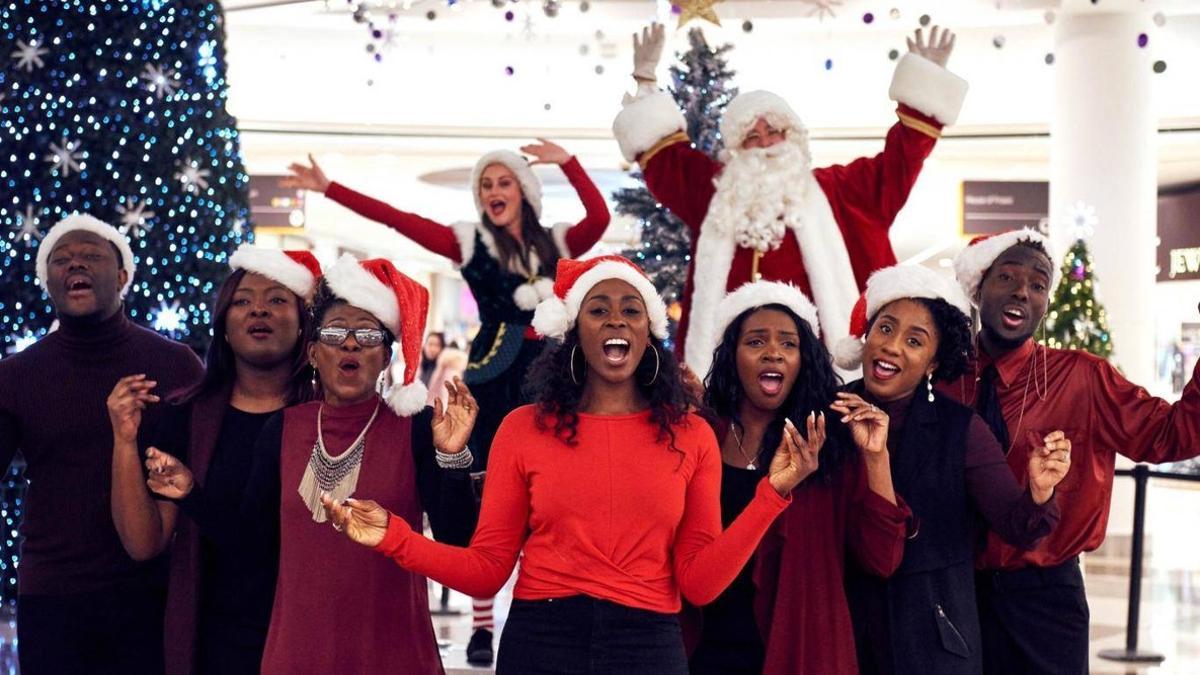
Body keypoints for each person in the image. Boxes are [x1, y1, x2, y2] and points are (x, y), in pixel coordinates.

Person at [322, 255, 820, 675]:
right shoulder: (523, 429)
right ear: (574, 330)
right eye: (598, 309)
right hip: (541, 641)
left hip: (648, 647)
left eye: (631, 310)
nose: (616, 320)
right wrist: (394, 536)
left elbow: (699, 583)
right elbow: (486, 570)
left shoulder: (691, 436)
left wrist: (771, 495)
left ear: (649, 332)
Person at [284, 142, 610, 662]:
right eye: (485, 185)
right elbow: (401, 220)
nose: (493, 192)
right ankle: (482, 626)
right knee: (485, 498)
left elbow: (600, 215)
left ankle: (555, 599)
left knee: (556, 490)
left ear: (524, 191)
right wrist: (330, 189)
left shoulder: (559, 241)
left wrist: (568, 162)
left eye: (504, 183)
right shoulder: (470, 244)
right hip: (493, 380)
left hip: (553, 381)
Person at [143, 255, 478, 674]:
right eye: (336, 333)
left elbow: (458, 540)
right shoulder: (283, 430)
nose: (351, 344)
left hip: (392, 650)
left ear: (385, 355)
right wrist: (192, 493)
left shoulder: (414, 429)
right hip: (298, 652)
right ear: (314, 352)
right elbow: (250, 543)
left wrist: (451, 457)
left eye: (367, 334)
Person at [612, 23, 968, 377]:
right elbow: (664, 159)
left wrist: (925, 88)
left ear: (792, 137)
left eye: (774, 132)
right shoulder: (717, 195)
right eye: (752, 136)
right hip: (731, 374)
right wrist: (645, 81)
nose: (766, 143)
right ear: (736, 150)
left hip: (823, 374)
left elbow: (899, 162)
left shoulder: (840, 191)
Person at [942, 229, 1200, 675]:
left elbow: (1173, 434)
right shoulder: (943, 378)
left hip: (1045, 599)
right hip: (954, 593)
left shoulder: (1084, 378)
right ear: (979, 286)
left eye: (1039, 284)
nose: (1023, 290)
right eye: (1007, 277)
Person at [830, 263, 1069, 675]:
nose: (891, 347)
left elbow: (1018, 526)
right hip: (843, 632)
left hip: (932, 641)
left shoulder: (960, 429)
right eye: (885, 329)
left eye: (914, 340)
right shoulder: (827, 413)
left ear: (932, 364)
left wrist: (1040, 490)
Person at [0, 214, 203, 674]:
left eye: (92, 256)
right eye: (62, 260)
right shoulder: (16, 376)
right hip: (52, 591)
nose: (77, 265)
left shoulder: (176, 365)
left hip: (151, 592)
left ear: (124, 276)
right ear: (46, 280)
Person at [106, 245, 320, 675]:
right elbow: (144, 543)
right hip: (213, 638)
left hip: (309, 633)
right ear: (223, 324)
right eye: (243, 301)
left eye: (277, 300)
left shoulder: (327, 416)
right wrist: (124, 441)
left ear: (303, 326)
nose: (259, 310)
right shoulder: (186, 416)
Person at [684, 281, 909, 674]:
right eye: (756, 342)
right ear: (732, 356)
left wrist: (876, 457)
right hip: (700, 649)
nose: (774, 352)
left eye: (789, 344)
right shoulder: (702, 434)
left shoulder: (830, 443)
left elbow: (882, 558)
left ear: (805, 360)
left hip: (800, 651)